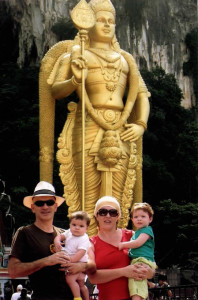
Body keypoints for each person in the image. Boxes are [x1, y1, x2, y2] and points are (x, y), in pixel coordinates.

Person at [39, 0, 150, 235]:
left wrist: (140, 124)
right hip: (88, 124)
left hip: (121, 128)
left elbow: (141, 95)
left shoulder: (126, 59)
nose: (107, 25)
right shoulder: (78, 52)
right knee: (87, 193)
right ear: (90, 24)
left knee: (120, 194)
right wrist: (74, 80)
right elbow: (55, 90)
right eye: (101, 20)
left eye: (111, 21)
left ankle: (116, 245)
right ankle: (87, 244)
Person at [68, 196, 154, 300]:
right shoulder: (91, 243)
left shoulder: (133, 236)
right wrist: (123, 271)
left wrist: (150, 272)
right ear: (97, 216)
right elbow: (93, 277)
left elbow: (149, 262)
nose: (108, 216)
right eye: (103, 212)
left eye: (113, 212)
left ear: (118, 217)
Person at [8, 181, 74, 300]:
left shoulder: (66, 234)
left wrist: (80, 266)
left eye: (49, 202)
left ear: (56, 207)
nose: (45, 207)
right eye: (39, 203)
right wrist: (46, 261)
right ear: (33, 208)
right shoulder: (25, 233)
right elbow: (13, 271)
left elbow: (90, 263)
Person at [118, 202, 156, 300]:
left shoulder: (146, 230)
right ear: (132, 220)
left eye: (143, 216)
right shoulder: (137, 232)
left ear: (150, 219)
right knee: (137, 283)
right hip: (138, 259)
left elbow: (138, 243)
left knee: (135, 286)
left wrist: (122, 245)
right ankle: (148, 284)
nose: (139, 219)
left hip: (142, 260)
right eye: (136, 217)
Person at [54, 211, 91, 300]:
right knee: (81, 284)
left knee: (70, 280)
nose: (77, 228)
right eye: (74, 225)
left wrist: (70, 261)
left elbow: (81, 252)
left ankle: (77, 297)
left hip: (77, 261)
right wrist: (57, 241)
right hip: (71, 259)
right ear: (70, 225)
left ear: (87, 228)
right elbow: (60, 236)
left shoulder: (84, 238)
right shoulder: (69, 232)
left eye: (81, 226)